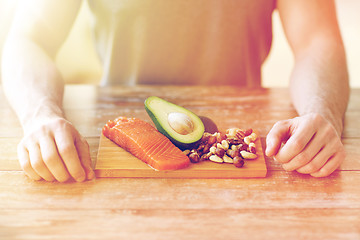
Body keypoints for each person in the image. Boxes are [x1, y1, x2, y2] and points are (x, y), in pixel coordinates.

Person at [1, 0, 349, 182]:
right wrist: (39, 115)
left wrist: (324, 114)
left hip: (238, 145)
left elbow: (316, 40)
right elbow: (29, 39)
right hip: (120, 149)